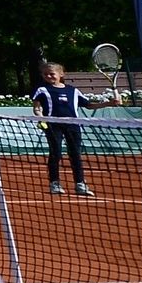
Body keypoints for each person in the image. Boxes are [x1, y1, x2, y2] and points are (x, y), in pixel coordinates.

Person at [32, 63, 97, 198]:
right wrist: (42, 119)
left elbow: (89, 105)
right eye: (45, 74)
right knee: (55, 153)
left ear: (61, 74)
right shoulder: (42, 90)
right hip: (52, 125)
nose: (48, 76)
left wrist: (109, 103)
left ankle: (80, 184)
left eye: (51, 73)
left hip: (73, 125)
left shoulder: (73, 90)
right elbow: (37, 108)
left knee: (75, 154)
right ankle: (54, 183)